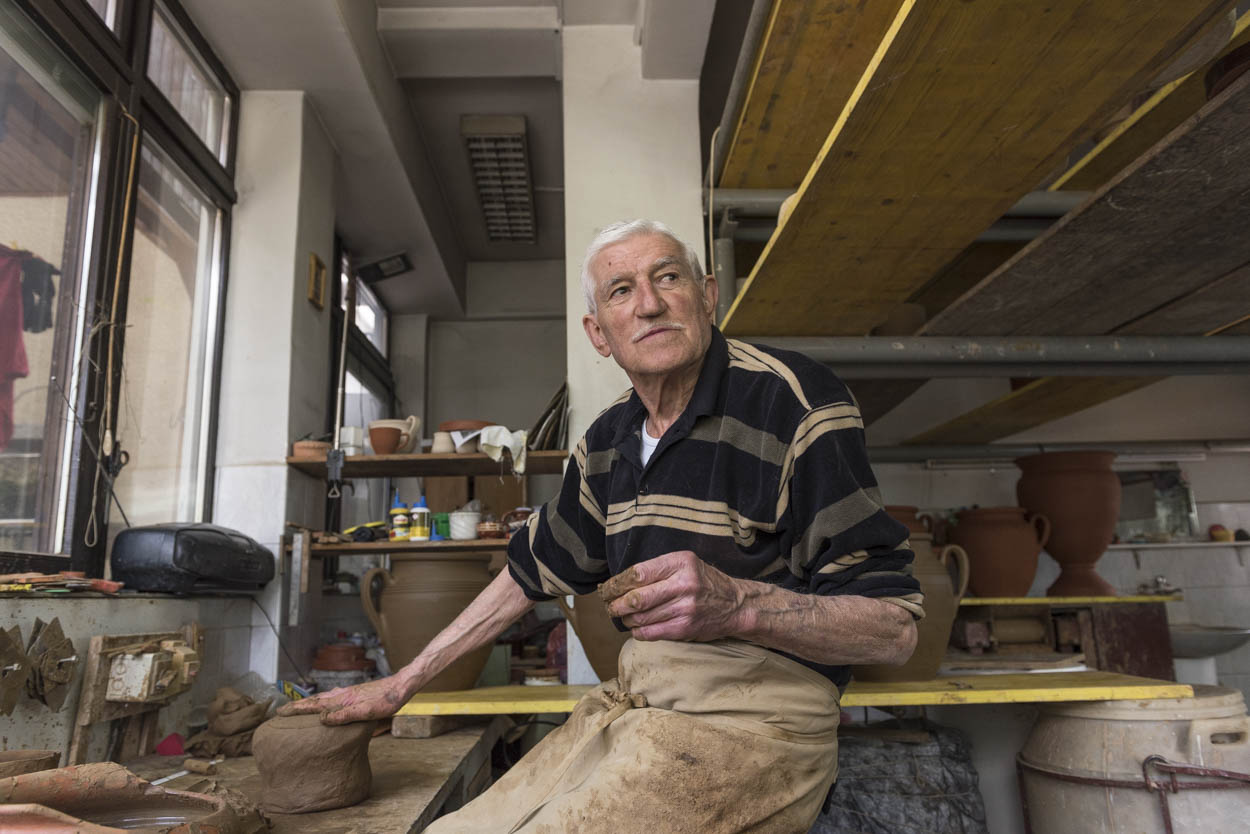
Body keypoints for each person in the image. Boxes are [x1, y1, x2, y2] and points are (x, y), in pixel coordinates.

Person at [281, 219, 923, 832]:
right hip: (638, 704)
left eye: (668, 279)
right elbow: (527, 575)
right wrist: (400, 685)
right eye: (622, 290)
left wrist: (741, 605)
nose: (649, 304)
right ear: (599, 333)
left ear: (707, 297)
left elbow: (893, 630)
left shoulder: (793, 400)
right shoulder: (607, 442)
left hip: (758, 728)